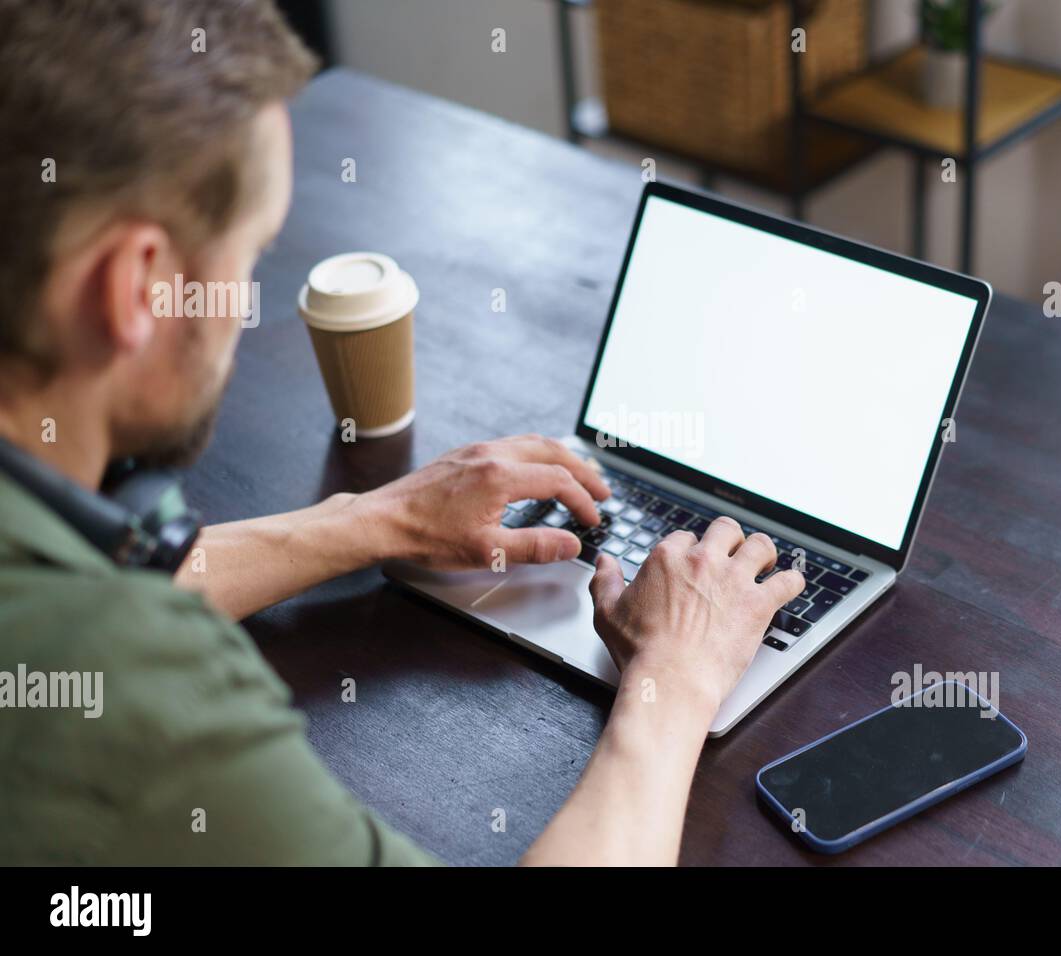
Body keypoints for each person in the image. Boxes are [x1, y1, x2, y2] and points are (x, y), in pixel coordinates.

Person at [0, 0, 804, 866]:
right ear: (136, 287)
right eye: (249, 259)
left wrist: (375, 518)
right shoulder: (134, 692)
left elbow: (89, 584)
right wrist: (677, 678)